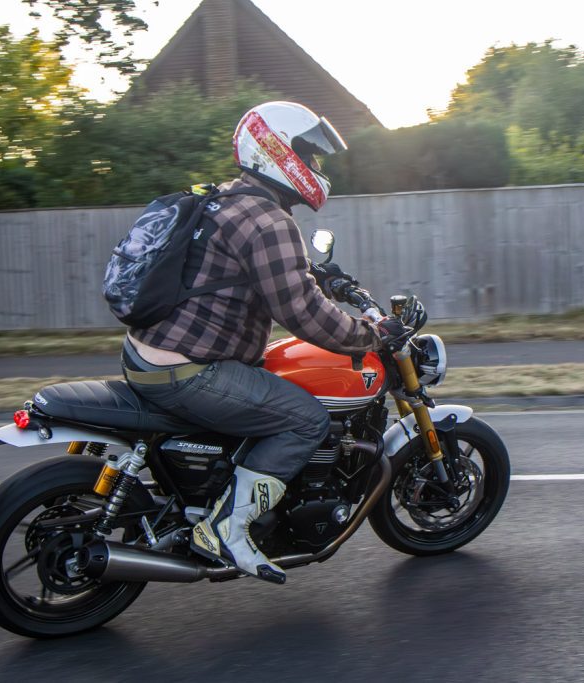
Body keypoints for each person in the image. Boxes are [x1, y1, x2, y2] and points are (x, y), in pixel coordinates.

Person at [123, 101, 406, 584]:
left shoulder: (224, 199)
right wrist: (370, 336)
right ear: (276, 151)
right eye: (308, 155)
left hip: (145, 353)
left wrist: (318, 275)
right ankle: (226, 529)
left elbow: (240, 267)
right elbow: (304, 315)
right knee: (305, 419)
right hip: (190, 371)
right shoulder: (270, 221)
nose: (314, 166)